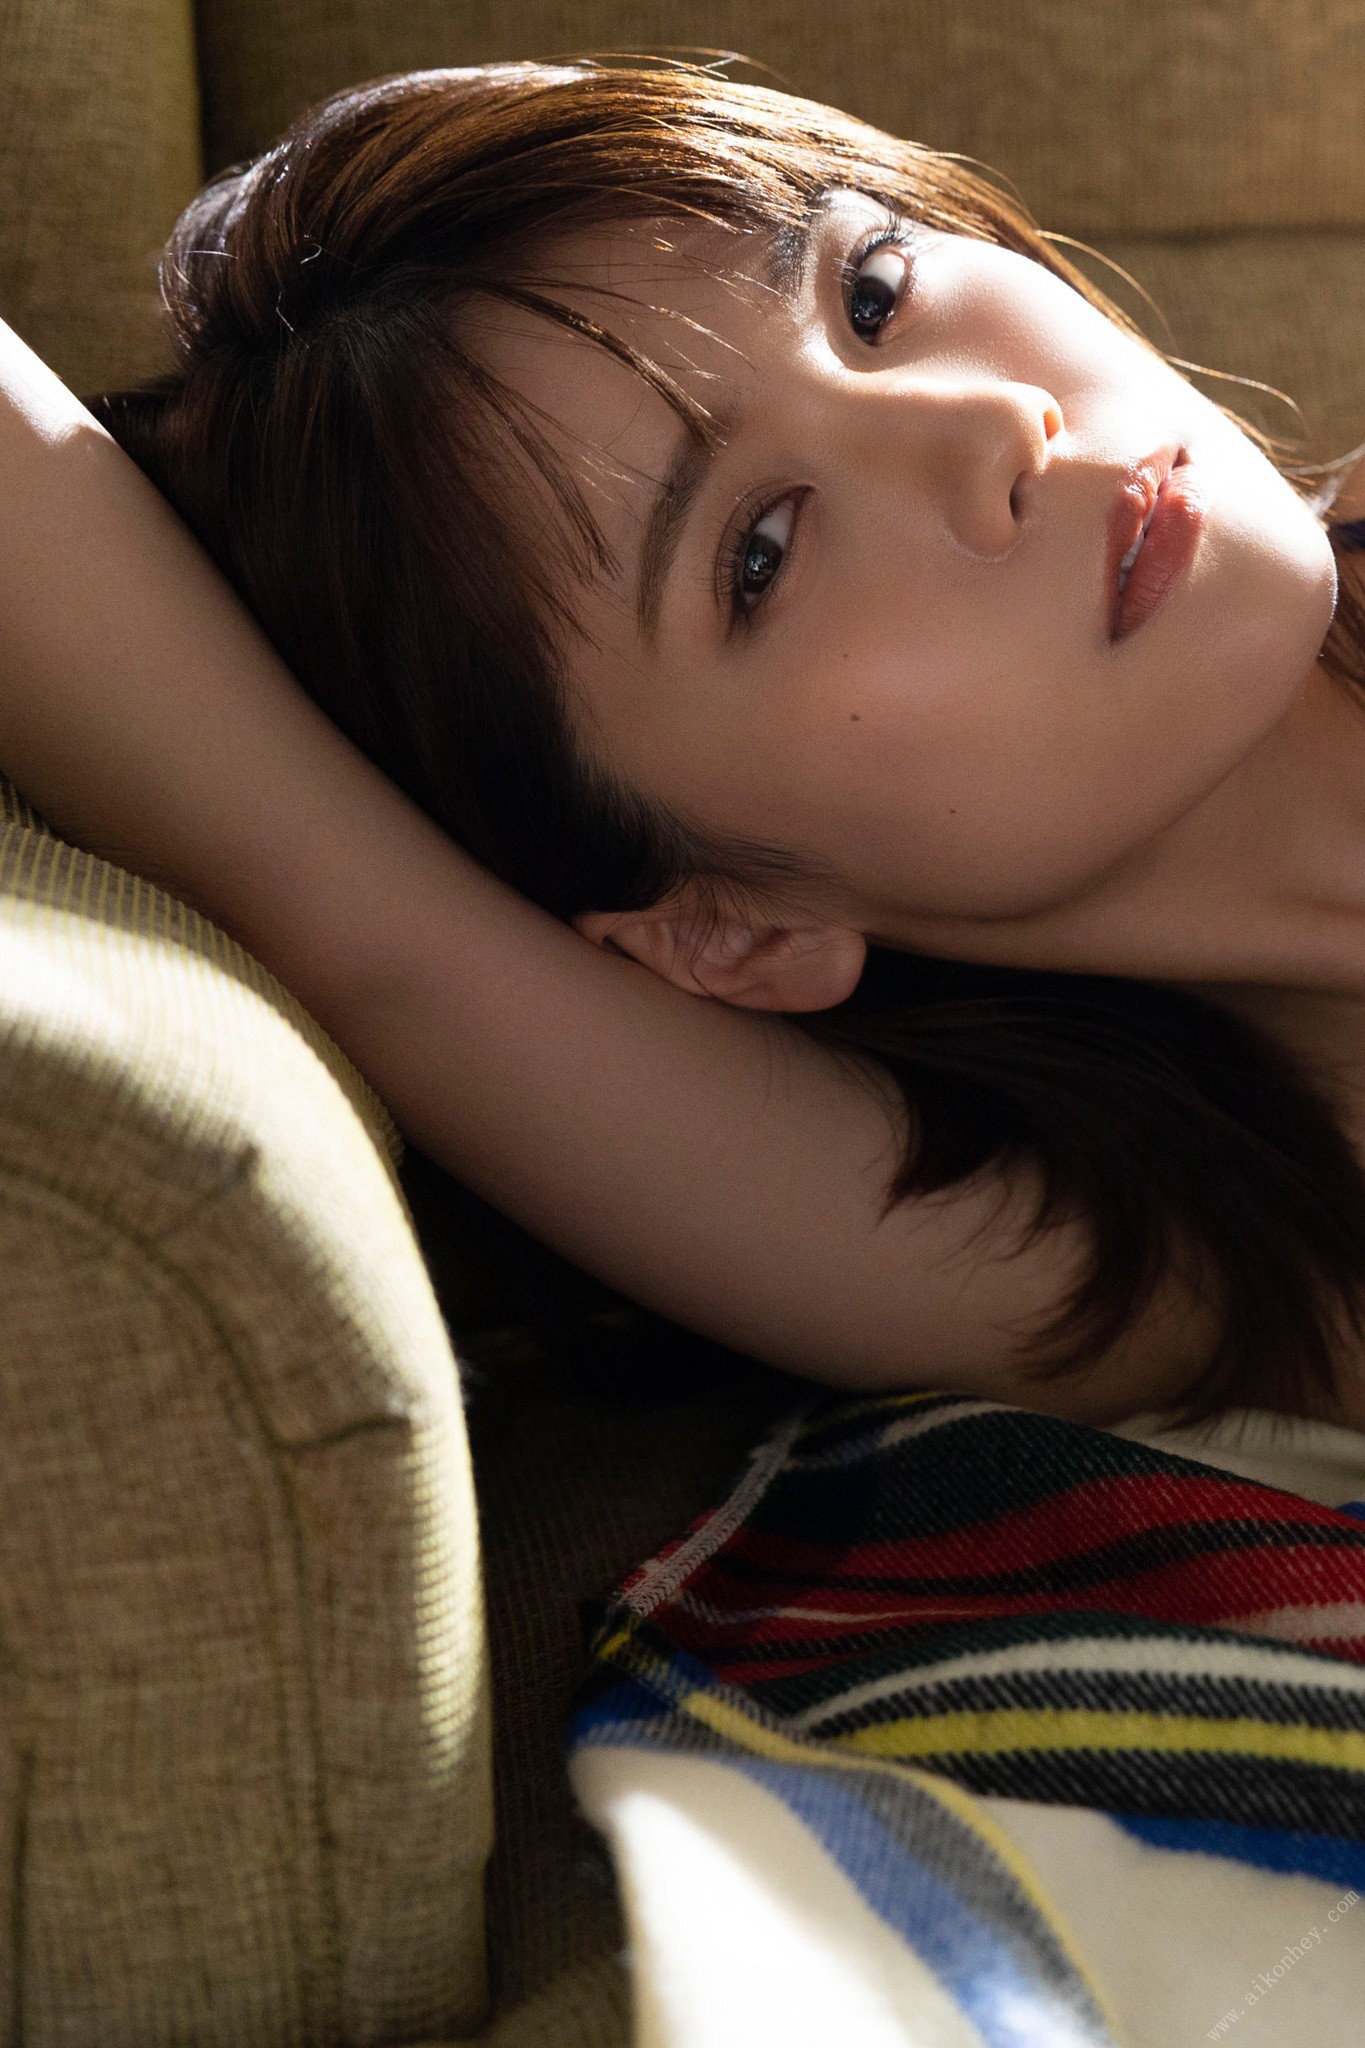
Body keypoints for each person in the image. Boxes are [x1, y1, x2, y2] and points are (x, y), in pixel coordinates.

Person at [4, 53, 1365, 1433]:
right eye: (760, 552)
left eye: (872, 293)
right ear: (728, 930)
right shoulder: (1167, 1267)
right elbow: (356, 915)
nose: (992, 422)